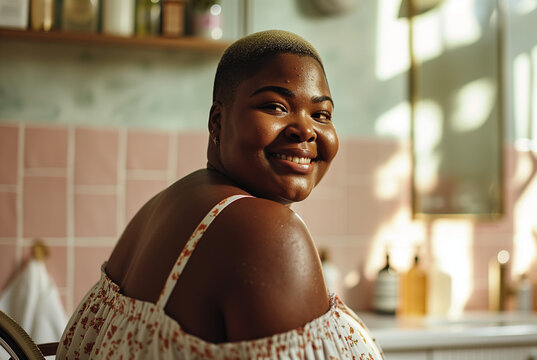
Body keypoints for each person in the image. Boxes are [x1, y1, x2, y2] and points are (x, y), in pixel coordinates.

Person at [56, 30, 384, 359]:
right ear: (218, 121)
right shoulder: (267, 233)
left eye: (321, 114)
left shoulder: (167, 205)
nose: (306, 129)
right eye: (276, 106)